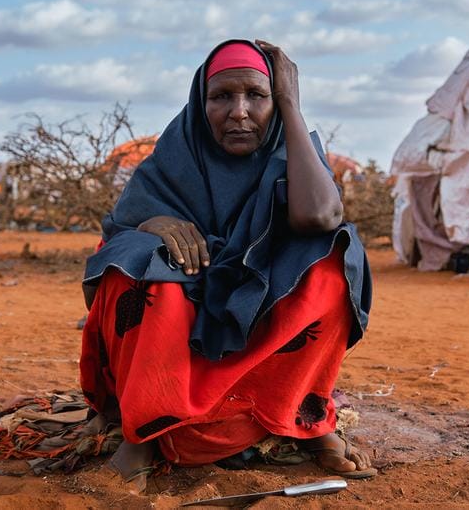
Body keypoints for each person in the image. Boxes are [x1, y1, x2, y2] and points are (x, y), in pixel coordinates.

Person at [79, 39, 374, 488]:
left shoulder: (291, 157)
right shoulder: (173, 160)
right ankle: (147, 427)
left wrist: (291, 105)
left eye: (257, 95)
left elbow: (318, 217)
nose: (239, 111)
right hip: (183, 320)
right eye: (222, 97)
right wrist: (152, 225)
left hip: (259, 314)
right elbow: (114, 242)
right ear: (201, 104)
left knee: (332, 260)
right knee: (137, 266)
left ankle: (299, 414)